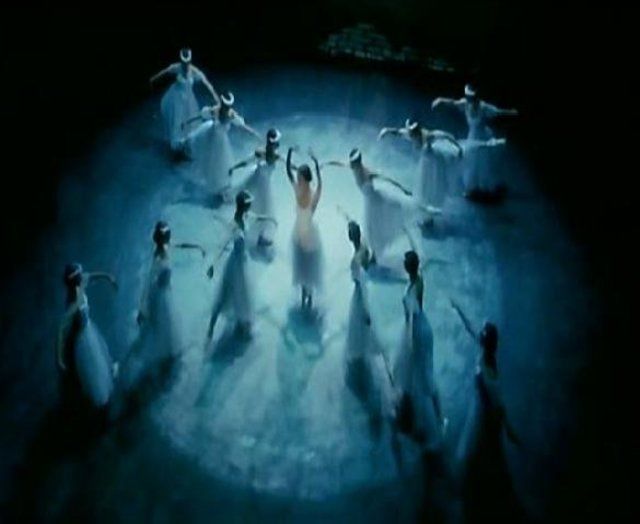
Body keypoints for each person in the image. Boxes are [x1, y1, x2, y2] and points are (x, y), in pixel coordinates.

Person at [450, 300, 524, 522]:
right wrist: (458, 309)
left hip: (485, 415)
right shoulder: (484, 351)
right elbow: (470, 327)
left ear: (485, 340)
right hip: (480, 408)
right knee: (479, 452)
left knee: (484, 451)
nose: (479, 332)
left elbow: (498, 403)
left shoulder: (488, 371)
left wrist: (508, 428)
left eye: (482, 331)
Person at [324, 148, 439, 265]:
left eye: (354, 163)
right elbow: (340, 163)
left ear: (358, 163)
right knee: (372, 230)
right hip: (369, 202)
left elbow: (387, 179)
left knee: (385, 219)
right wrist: (326, 163)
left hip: (376, 200)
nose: (352, 165)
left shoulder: (367, 172)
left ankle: (426, 212)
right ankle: (374, 254)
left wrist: (403, 188)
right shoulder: (352, 167)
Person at [393, 233, 446, 451]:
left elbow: (412, 316)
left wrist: (410, 340)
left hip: (416, 331)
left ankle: (433, 418)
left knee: (422, 375)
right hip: (420, 326)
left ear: (409, 268)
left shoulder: (413, 290)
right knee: (418, 371)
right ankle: (417, 406)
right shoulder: (418, 279)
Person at [344, 220, 396, 429]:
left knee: (363, 326)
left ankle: (373, 357)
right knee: (365, 327)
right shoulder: (364, 247)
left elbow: (359, 280)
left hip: (361, 296)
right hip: (365, 292)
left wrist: (366, 310)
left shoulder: (356, 260)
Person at [206, 191, 277, 340]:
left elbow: (256, 217)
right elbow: (222, 245)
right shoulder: (234, 225)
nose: (250, 207)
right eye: (248, 205)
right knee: (226, 293)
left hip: (243, 261)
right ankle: (211, 327)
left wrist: (270, 219)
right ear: (243, 206)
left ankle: (242, 321)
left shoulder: (246, 216)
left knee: (243, 293)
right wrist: (213, 265)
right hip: (235, 264)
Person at [135, 221, 206, 370]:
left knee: (169, 323)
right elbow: (148, 282)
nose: (169, 239)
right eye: (167, 236)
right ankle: (165, 354)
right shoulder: (157, 259)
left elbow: (181, 245)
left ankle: (170, 351)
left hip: (167, 291)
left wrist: (197, 247)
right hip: (161, 295)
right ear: (163, 239)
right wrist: (142, 308)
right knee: (164, 323)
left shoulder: (167, 246)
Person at [432, 84, 518, 196]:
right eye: (467, 96)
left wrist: (511, 112)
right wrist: (440, 100)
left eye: (470, 97)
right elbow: (453, 103)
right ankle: (471, 187)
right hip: (472, 136)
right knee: (471, 161)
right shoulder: (465, 104)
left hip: (482, 136)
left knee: (482, 162)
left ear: (475, 97)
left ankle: (483, 187)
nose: (468, 98)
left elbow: (497, 112)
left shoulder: (483, 107)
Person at [56, 263, 119, 410]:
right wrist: (59, 358)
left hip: (88, 329)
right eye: (79, 275)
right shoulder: (72, 304)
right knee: (91, 364)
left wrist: (108, 277)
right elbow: (61, 331)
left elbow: (92, 276)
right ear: (75, 281)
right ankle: (96, 393)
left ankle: (106, 374)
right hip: (81, 338)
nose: (83, 276)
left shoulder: (80, 283)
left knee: (100, 355)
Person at [182, 92, 260, 199]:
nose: (227, 107)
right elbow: (200, 116)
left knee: (220, 164)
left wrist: (254, 133)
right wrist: (187, 122)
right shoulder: (215, 111)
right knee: (209, 161)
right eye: (225, 105)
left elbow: (242, 126)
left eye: (228, 106)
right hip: (210, 137)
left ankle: (220, 186)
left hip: (221, 143)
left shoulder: (231, 115)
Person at [379, 118, 463, 208]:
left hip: (434, 161)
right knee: (424, 181)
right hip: (425, 161)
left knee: (433, 181)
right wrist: (386, 131)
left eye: (414, 133)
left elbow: (445, 135)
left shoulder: (428, 136)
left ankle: (435, 201)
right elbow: (397, 132)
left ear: (418, 131)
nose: (413, 135)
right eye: (411, 133)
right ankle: (425, 201)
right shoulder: (410, 134)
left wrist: (458, 147)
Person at [149, 47, 218, 155]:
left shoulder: (194, 71)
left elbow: (206, 83)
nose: (185, 64)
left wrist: (215, 96)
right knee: (177, 119)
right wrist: (153, 79)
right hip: (176, 97)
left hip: (188, 99)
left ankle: (187, 144)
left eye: (187, 62)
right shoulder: (177, 67)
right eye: (183, 62)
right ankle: (177, 144)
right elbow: (165, 72)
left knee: (189, 120)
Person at [228, 128, 284, 247]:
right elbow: (247, 161)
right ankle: (242, 230)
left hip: (265, 187)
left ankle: (261, 236)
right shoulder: (260, 152)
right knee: (254, 208)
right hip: (255, 183)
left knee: (264, 210)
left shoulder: (276, 156)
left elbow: (289, 164)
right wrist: (234, 167)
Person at [287, 147, 324, 310]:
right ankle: (304, 295)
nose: (297, 179)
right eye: (298, 178)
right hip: (299, 233)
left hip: (308, 234)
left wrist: (316, 164)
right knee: (302, 267)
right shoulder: (298, 190)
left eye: (299, 177)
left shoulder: (313, 195)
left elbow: (320, 184)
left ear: (305, 179)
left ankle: (309, 295)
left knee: (308, 267)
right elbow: (288, 173)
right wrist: (289, 153)